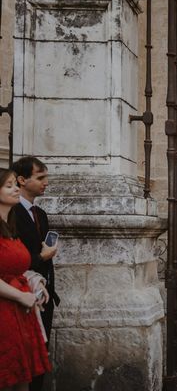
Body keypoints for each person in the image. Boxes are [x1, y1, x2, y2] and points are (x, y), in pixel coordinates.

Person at [0, 167, 51, 390]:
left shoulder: (11, 226)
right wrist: (20, 296)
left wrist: (34, 280)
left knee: (22, 379)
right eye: (8, 185)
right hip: (5, 309)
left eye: (15, 184)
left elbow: (17, 267)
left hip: (20, 311)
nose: (15, 189)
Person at [11, 157, 58, 391]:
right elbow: (12, 257)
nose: (46, 182)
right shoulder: (11, 213)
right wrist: (42, 257)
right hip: (21, 294)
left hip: (44, 293)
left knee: (42, 351)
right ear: (22, 179)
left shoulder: (40, 213)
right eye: (40, 177)